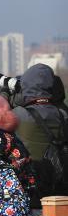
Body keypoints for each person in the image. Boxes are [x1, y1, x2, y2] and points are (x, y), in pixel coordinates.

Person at [13, 63, 68, 203]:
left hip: (30, 189)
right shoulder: (62, 115)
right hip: (59, 187)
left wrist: (6, 96)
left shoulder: (17, 115)